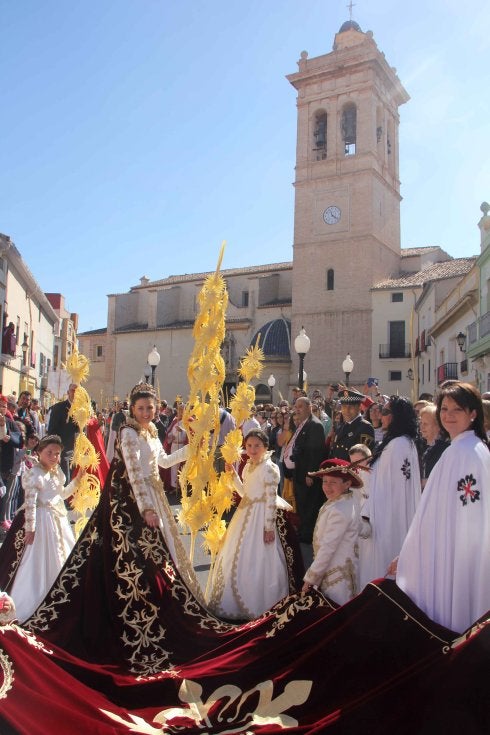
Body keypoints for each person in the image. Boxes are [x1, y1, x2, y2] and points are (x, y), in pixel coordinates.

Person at [396, 382, 490, 634]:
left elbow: (465, 517)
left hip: (456, 556)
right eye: (444, 409)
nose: (448, 416)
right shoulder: (465, 449)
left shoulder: (465, 453)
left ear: (472, 414)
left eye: (456, 410)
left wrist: (414, 552)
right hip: (453, 551)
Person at [207, 429, 303, 620]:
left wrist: (268, 528)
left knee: (261, 557)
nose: (252, 449)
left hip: (261, 516)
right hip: (245, 514)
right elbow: (245, 493)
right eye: (249, 445)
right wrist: (233, 476)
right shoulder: (249, 466)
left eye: (257, 446)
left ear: (265, 447)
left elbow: (269, 500)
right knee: (236, 555)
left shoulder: (269, 468)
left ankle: (262, 602)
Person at [0, 435, 84, 623]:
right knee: (37, 561)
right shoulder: (34, 474)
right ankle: (33, 601)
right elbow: (30, 503)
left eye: (57, 454)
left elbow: (61, 494)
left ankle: (60, 597)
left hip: (58, 520)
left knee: (62, 556)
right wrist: (31, 528)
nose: (54, 457)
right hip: (41, 521)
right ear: (39, 453)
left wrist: (77, 481)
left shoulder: (57, 472)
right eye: (49, 453)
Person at [359, 396, 421, 588]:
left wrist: (367, 512)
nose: (381, 415)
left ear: (396, 417)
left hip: (387, 518)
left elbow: (383, 486)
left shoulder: (398, 445)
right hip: (390, 515)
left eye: (385, 412)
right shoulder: (402, 442)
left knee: (383, 565)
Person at [302, 458, 362, 606]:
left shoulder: (340, 509)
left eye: (333, 482)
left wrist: (311, 578)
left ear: (347, 484)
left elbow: (328, 546)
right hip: (333, 568)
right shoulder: (340, 502)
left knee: (334, 611)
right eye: (324, 481)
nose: (327, 487)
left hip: (336, 573)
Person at [283, 397, 327, 543]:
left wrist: (311, 474)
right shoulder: (303, 425)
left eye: (300, 406)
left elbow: (316, 452)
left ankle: (308, 535)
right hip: (299, 472)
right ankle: (303, 531)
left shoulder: (315, 425)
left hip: (308, 475)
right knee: (302, 504)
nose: (297, 409)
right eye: (296, 406)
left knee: (309, 505)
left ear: (310, 407)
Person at [328, 388, 375, 460]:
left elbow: (363, 459)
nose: (347, 410)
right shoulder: (341, 426)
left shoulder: (365, 428)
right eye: (344, 407)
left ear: (359, 407)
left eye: (351, 407)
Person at [47, 384, 79, 483]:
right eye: (73, 390)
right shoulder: (58, 408)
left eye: (77, 391)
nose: (75, 393)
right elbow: (52, 431)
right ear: (68, 392)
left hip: (77, 452)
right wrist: (56, 451)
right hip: (63, 451)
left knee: (74, 481)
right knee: (64, 481)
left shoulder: (81, 410)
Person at [418, 404, 449, 488]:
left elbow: (446, 478)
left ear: (438, 426)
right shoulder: (420, 446)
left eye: (426, 424)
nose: (422, 427)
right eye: (421, 423)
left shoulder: (445, 449)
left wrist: (423, 482)